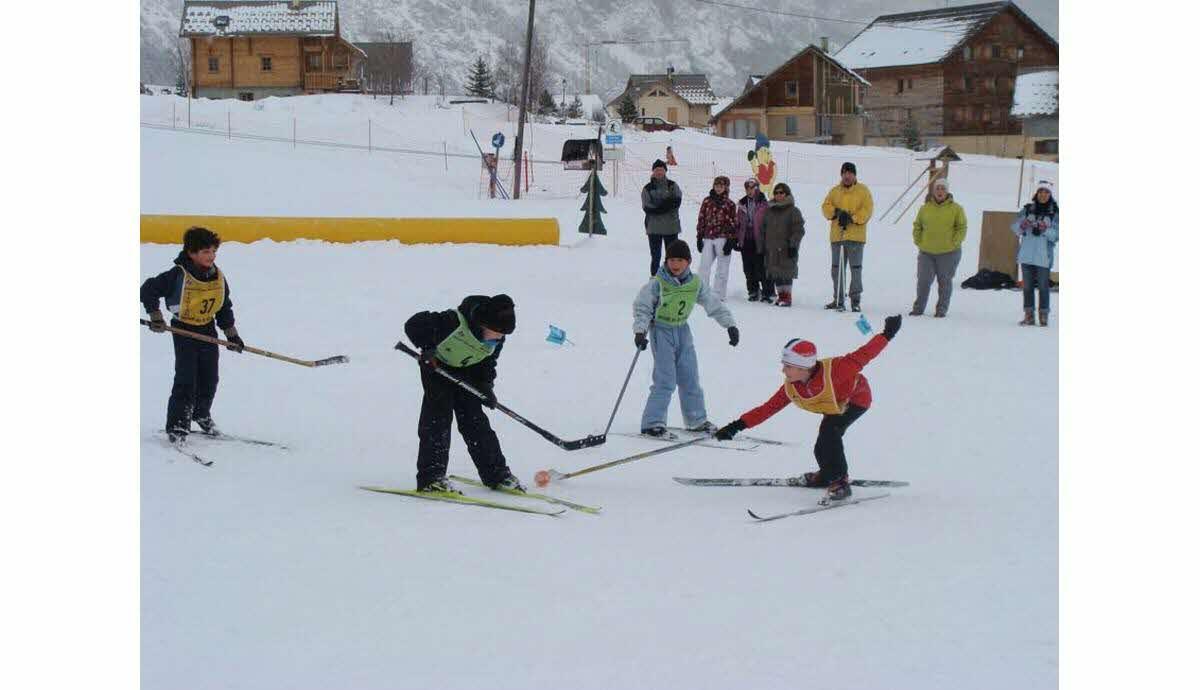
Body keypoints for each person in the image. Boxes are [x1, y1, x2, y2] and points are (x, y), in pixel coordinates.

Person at [714, 315, 903, 502]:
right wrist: (735, 426)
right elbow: (767, 408)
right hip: (833, 407)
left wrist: (888, 333)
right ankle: (826, 476)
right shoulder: (791, 386)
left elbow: (865, 354)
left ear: (804, 368)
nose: (783, 371)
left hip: (856, 400)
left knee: (830, 434)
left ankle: (840, 483)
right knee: (821, 447)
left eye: (788, 366)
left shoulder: (837, 370)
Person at [403, 294, 524, 494]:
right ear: (482, 324)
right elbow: (414, 324)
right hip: (437, 369)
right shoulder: (452, 323)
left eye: (503, 336)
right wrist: (428, 349)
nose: (499, 338)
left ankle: (497, 474)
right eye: (496, 333)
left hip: (467, 373)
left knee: (476, 422)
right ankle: (431, 478)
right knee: (437, 420)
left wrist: (486, 387)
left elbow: (487, 363)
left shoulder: (496, 338)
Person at [141, 226, 245, 444]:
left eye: (213, 251)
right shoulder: (177, 275)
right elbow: (148, 289)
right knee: (186, 378)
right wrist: (156, 316)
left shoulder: (218, 277)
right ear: (192, 253)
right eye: (206, 252)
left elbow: (224, 307)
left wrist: (231, 335)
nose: (212, 256)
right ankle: (178, 424)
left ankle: (200, 413)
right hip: (183, 330)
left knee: (209, 377)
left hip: (207, 329)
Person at [633, 239, 739, 438]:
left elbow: (713, 303)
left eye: (680, 260)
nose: (675, 264)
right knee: (665, 379)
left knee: (690, 377)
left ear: (688, 262)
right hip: (661, 331)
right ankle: (652, 423)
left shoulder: (695, 283)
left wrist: (729, 325)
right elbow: (642, 307)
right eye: (671, 260)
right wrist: (640, 331)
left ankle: (696, 419)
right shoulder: (658, 283)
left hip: (682, 331)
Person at [910, 177, 968, 317]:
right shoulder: (925, 208)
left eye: (943, 189)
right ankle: (918, 308)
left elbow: (962, 227)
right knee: (923, 281)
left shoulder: (956, 209)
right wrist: (918, 240)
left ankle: (941, 309)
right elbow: (917, 225)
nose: (940, 191)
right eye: (937, 188)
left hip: (948, 252)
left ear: (947, 192)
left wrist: (955, 243)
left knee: (944, 282)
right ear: (933, 191)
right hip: (926, 252)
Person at [820, 162, 874, 312]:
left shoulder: (863, 191)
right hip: (838, 236)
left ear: (855, 175)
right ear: (841, 174)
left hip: (856, 237)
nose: (847, 176)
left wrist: (853, 218)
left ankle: (855, 300)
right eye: (844, 173)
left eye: (850, 173)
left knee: (855, 269)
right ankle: (838, 299)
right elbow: (825, 207)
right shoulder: (835, 191)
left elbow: (867, 210)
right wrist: (836, 212)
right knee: (837, 269)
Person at [1011, 181, 1059, 326]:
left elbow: (1057, 235)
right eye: (1040, 192)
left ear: (1050, 195)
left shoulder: (1055, 213)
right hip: (1026, 255)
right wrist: (1023, 225)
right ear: (1036, 194)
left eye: (1046, 192)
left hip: (1043, 257)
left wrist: (1044, 230)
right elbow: (1015, 228)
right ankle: (1029, 315)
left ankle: (1043, 316)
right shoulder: (1027, 210)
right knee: (1027, 287)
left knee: (1044, 287)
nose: (1043, 195)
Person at [762, 182, 805, 307]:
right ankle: (781, 296)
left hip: (787, 247)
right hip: (772, 248)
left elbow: (799, 229)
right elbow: (764, 228)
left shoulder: (793, 211)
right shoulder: (769, 210)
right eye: (776, 192)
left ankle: (787, 297)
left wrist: (793, 244)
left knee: (786, 272)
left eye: (781, 192)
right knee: (776, 272)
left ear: (787, 194)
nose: (778, 195)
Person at [695, 175, 738, 301]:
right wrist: (699, 237)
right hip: (708, 237)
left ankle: (719, 294)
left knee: (722, 268)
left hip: (723, 238)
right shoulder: (707, 201)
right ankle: (702, 292)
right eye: (716, 185)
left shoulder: (729, 204)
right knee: (704, 266)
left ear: (726, 187)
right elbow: (701, 218)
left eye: (721, 186)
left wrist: (731, 240)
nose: (718, 188)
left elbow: (733, 223)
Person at [642, 159, 684, 277]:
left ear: (665, 171)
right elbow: (647, 206)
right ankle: (655, 279)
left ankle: (671, 278)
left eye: (661, 169)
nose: (659, 172)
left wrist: (662, 206)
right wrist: (663, 207)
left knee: (672, 256)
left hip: (671, 227)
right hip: (654, 228)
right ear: (653, 172)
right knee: (655, 256)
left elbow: (677, 201)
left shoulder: (672, 185)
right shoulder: (647, 188)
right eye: (657, 170)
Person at [735, 177, 773, 302]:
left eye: (752, 187)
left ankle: (767, 292)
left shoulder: (764, 203)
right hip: (746, 239)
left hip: (759, 240)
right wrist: (736, 238)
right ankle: (753, 291)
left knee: (761, 267)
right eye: (747, 188)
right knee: (748, 268)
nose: (749, 190)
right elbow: (738, 223)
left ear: (757, 188)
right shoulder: (742, 203)